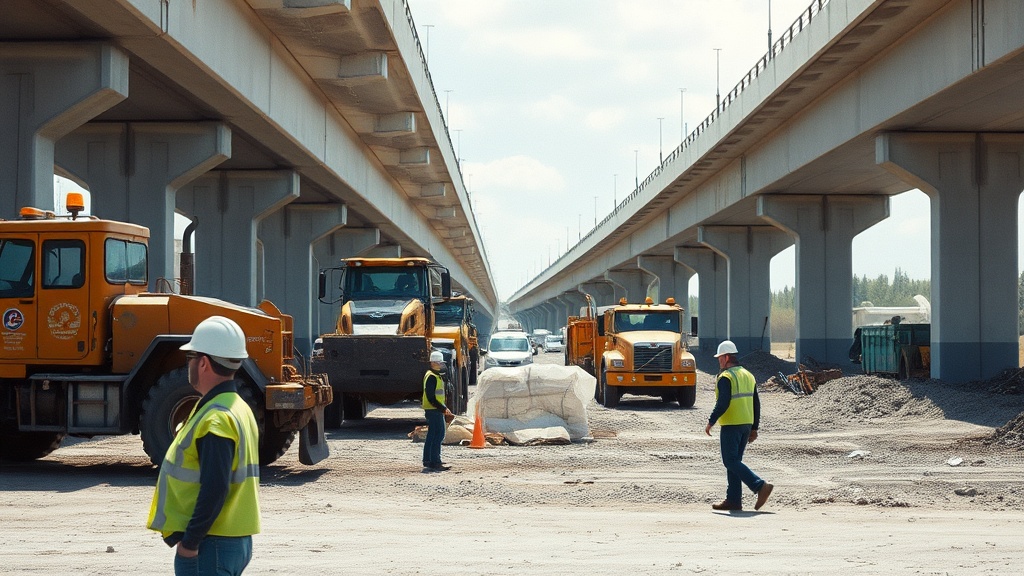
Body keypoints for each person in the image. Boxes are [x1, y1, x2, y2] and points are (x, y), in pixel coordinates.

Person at [147, 315, 261, 575]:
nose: (189, 363)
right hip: (234, 539)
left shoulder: (215, 418)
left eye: (191, 357)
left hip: (212, 543)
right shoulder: (237, 408)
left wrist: (190, 542)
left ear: (204, 363)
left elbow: (215, 487)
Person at [704, 340, 773, 511]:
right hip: (745, 425)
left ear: (727, 357)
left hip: (731, 424)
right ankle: (733, 500)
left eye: (720, 358)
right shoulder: (748, 375)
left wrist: (711, 421)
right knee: (734, 462)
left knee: (730, 461)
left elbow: (723, 402)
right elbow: (756, 403)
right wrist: (754, 427)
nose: (719, 361)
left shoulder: (726, 377)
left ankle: (759, 485)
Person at [422, 350, 454, 472]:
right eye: (440, 363)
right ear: (434, 363)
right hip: (434, 410)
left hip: (434, 409)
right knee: (438, 434)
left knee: (432, 435)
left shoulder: (433, 375)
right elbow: (431, 397)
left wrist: (443, 407)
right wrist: (443, 408)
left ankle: (428, 460)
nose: (441, 365)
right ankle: (435, 461)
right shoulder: (432, 377)